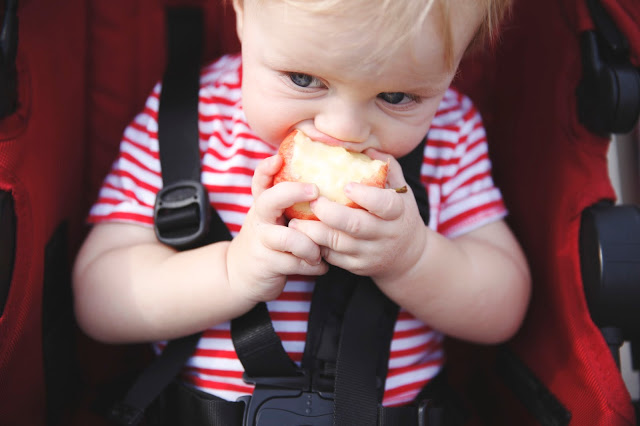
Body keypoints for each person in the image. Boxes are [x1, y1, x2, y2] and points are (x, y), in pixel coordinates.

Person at [73, 0, 530, 411]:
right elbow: (100, 295)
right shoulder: (188, 122)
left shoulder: (450, 135)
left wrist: (412, 260)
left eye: (396, 97)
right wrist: (232, 271)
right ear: (242, 15)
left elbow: (504, 305)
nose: (344, 129)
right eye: (304, 79)